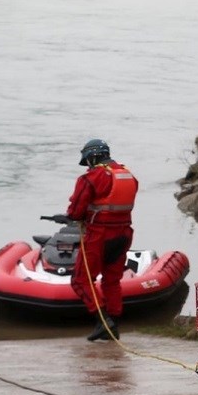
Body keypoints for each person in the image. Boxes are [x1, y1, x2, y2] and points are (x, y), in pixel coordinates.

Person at [65, 138, 137, 341]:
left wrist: (72, 216)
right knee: (112, 281)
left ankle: (104, 321)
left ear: (92, 157)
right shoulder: (128, 174)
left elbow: (76, 210)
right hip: (124, 234)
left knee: (80, 280)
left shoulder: (91, 177)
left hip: (99, 235)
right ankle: (114, 325)